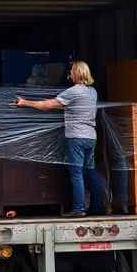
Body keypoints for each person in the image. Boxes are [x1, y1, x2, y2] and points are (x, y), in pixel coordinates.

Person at [11, 61, 107, 217]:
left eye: (72, 72)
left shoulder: (72, 92)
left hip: (76, 137)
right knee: (90, 171)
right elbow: (69, 106)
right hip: (91, 137)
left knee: (76, 173)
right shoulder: (92, 92)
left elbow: (47, 105)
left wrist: (25, 102)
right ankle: (98, 207)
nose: (69, 75)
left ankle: (79, 209)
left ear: (77, 73)